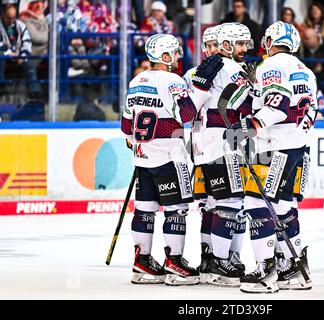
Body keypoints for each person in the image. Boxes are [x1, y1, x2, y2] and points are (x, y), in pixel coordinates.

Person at [120, 33, 224, 285]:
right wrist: (199, 88)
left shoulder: (136, 81)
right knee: (176, 210)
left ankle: (142, 262)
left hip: (143, 158)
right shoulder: (173, 81)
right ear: (164, 56)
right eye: (175, 53)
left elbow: (126, 126)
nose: (178, 57)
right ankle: (174, 262)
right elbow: (186, 114)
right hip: (169, 157)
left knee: (144, 210)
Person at [226, 21, 315, 293]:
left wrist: (246, 127)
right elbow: (309, 112)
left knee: (255, 204)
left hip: (274, 146)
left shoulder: (272, 66)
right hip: (299, 146)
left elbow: (277, 106)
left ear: (269, 40)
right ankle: (293, 268)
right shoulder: (306, 71)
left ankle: (265, 270)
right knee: (284, 205)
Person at [194, 22, 253, 287]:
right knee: (232, 202)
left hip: (202, 145)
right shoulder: (231, 68)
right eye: (240, 44)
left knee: (213, 204)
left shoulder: (196, 73)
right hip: (223, 144)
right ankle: (221, 259)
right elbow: (250, 107)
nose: (244, 49)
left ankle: (211, 259)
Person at [182, 24, 221, 283]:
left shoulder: (232, 70)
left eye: (219, 44)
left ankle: (216, 257)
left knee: (220, 205)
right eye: (211, 45)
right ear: (205, 47)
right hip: (202, 147)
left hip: (222, 146)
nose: (215, 50)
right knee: (210, 204)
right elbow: (185, 111)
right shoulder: (192, 73)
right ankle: (209, 257)